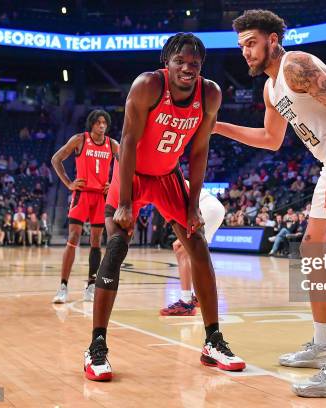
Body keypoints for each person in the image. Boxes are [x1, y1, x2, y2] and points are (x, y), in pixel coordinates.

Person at [214, 10, 326, 397]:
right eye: (241, 45)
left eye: (251, 43)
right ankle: (323, 342)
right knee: (312, 250)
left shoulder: (298, 65)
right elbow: (270, 139)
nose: (245, 52)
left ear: (273, 40)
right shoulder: (271, 88)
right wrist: (218, 126)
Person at [84, 33, 245, 382]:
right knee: (115, 247)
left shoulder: (210, 93)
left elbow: (200, 150)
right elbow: (127, 142)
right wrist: (125, 201)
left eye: (195, 64)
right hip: (133, 175)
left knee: (197, 244)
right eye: (181, 62)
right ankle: (96, 346)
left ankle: (213, 340)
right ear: (166, 63)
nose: (188, 68)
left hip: (169, 176)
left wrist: (192, 205)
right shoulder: (147, 86)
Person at [51, 110, 119, 304]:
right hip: (82, 194)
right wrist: (68, 183)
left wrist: (114, 184)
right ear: (92, 124)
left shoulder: (112, 144)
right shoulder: (80, 139)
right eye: (98, 122)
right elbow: (56, 159)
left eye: (104, 122)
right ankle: (63, 286)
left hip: (101, 197)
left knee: (96, 241)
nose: (102, 125)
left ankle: (90, 285)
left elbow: (128, 165)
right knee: (73, 237)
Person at [160, 187, 226, 316]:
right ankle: (199, 296)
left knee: (181, 251)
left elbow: (177, 214)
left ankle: (185, 303)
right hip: (212, 208)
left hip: (206, 209)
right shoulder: (168, 178)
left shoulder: (163, 185)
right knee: (186, 250)